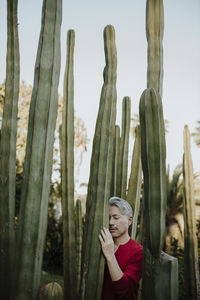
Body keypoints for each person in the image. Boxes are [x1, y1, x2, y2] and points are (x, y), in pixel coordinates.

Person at [99, 196, 143, 300]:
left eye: (116, 217)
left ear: (130, 220)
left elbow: (124, 291)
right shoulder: (100, 243)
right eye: (108, 217)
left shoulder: (138, 251)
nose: (111, 222)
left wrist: (110, 255)